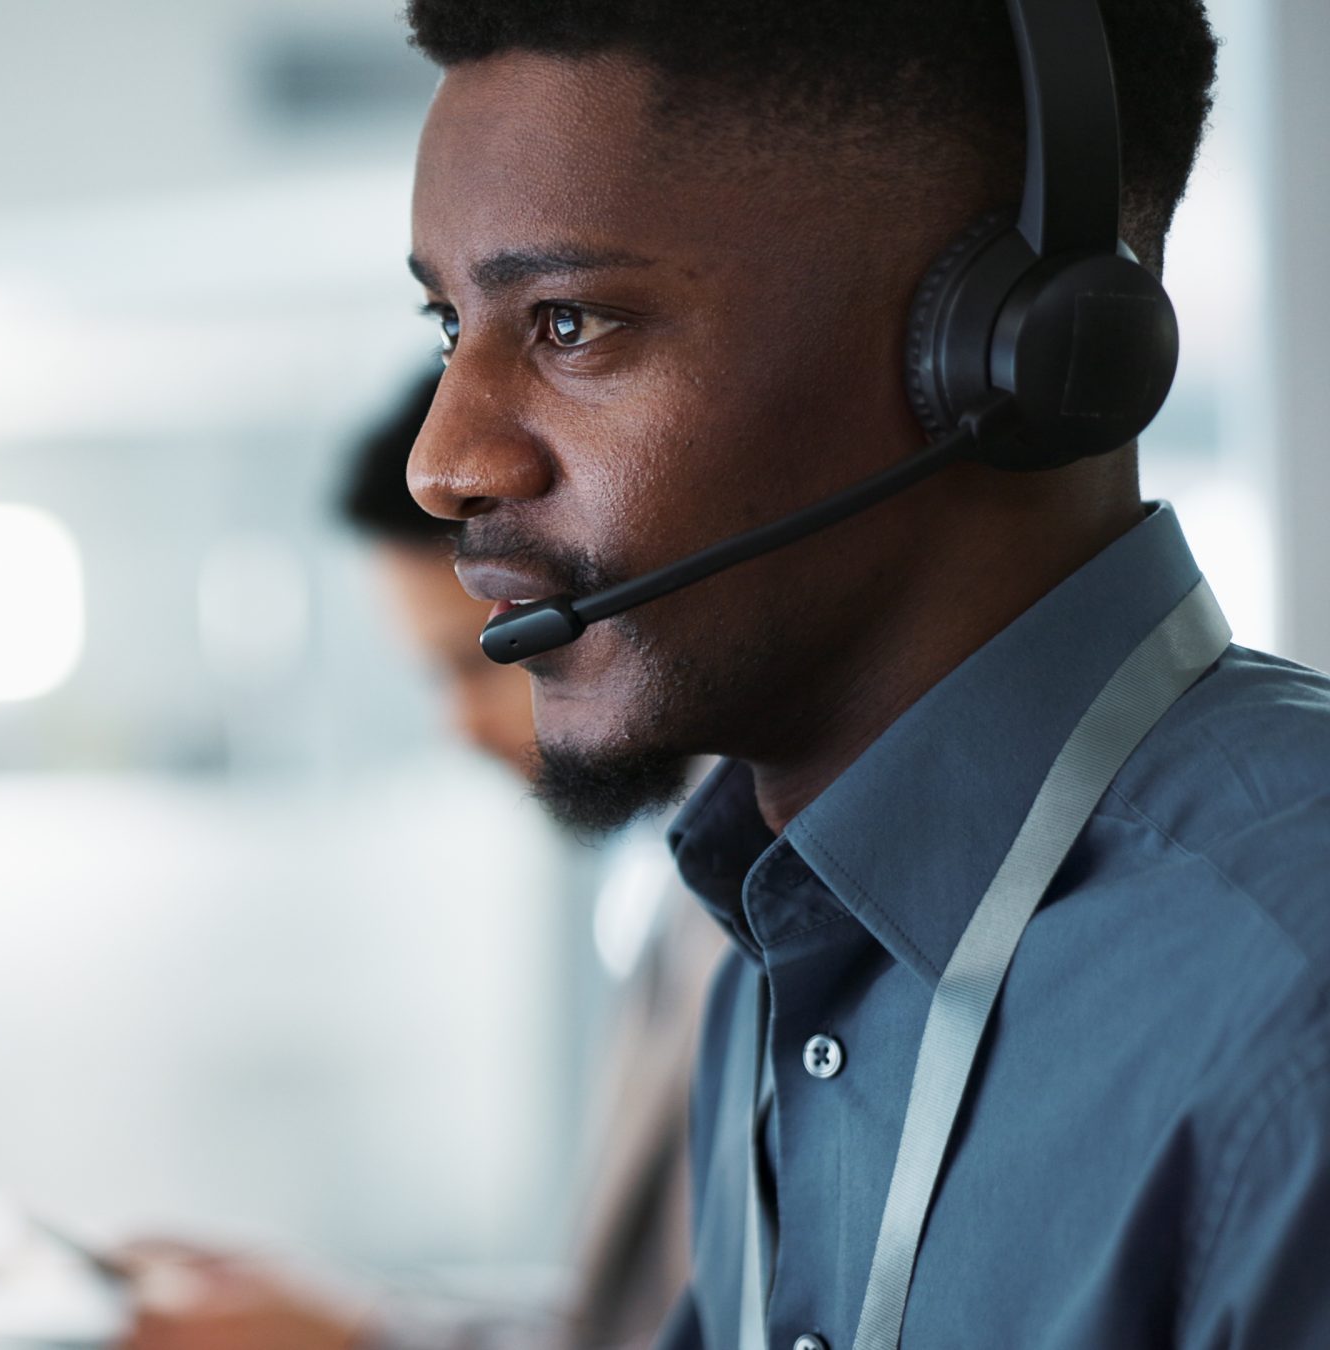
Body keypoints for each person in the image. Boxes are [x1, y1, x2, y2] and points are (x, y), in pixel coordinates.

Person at [403, 1, 1330, 1346]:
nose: (445, 461)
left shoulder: (1291, 1012)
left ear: (1011, 350)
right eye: (450, 327)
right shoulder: (787, 937)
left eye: (567, 323)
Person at [121, 374, 724, 1350]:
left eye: (484, 658)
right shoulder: (686, 885)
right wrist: (359, 1329)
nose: (458, 727)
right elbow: (645, 1322)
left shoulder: (772, 903)